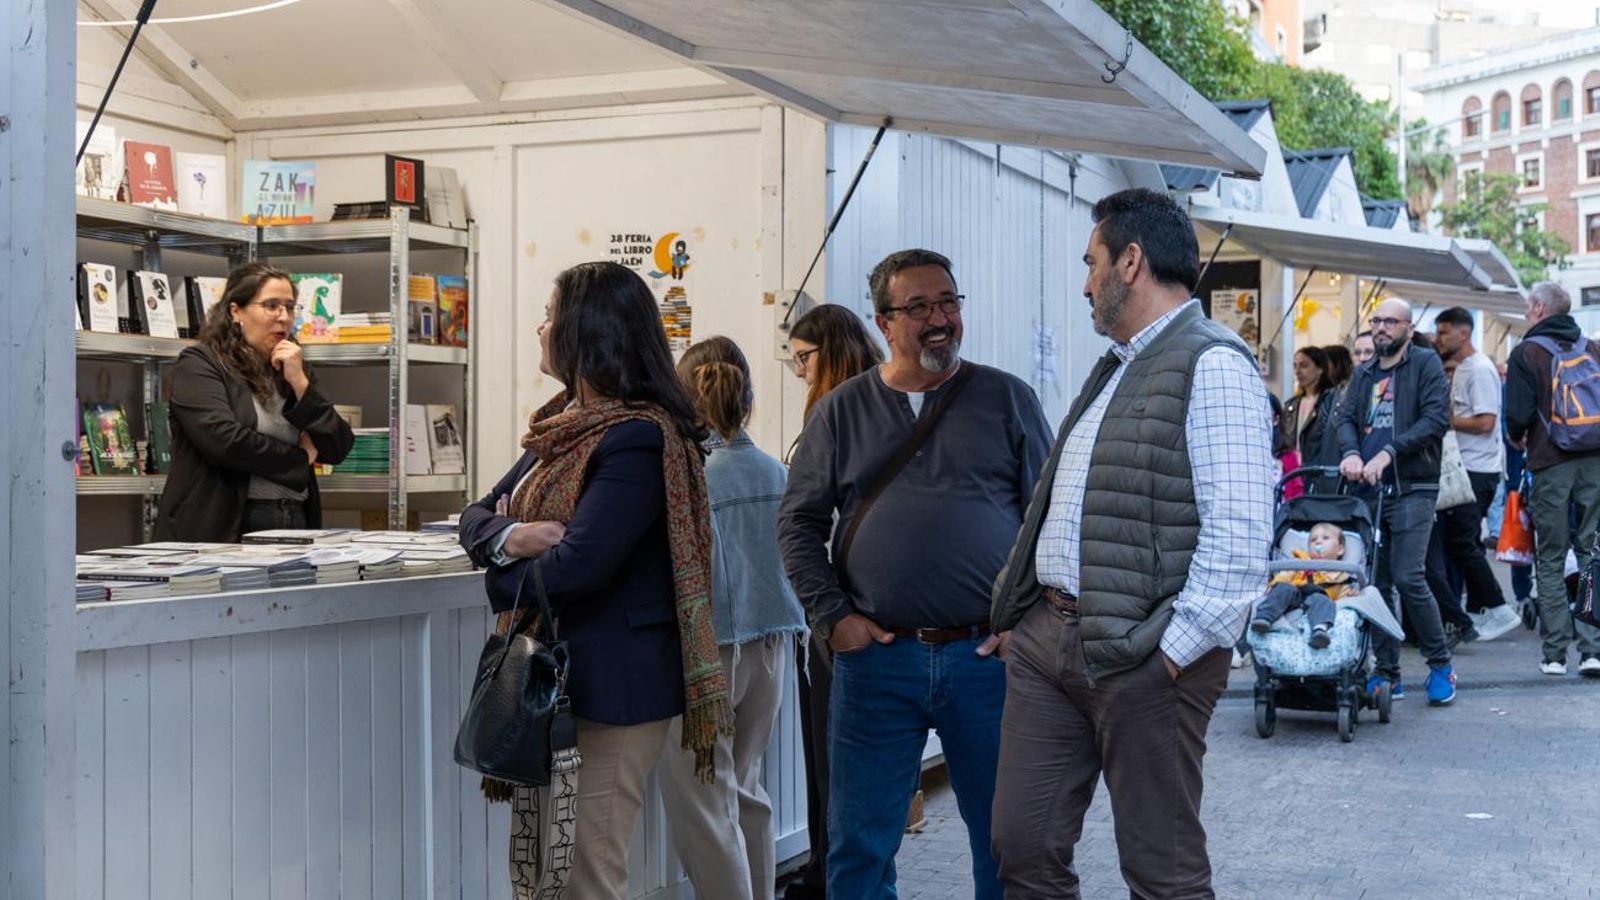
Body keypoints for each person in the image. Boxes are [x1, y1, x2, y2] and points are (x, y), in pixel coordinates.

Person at [989, 188, 1274, 898]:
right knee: (1021, 847)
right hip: (1050, 644)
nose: (1085, 282)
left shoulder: (1213, 363)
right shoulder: (1117, 364)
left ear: (1131, 261)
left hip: (1146, 657)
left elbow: (1240, 541)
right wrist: (1020, 617)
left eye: (1092, 263)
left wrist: (1170, 657)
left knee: (1162, 872)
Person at [778, 248, 1051, 900]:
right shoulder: (840, 411)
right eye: (920, 307)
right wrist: (834, 618)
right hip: (877, 661)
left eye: (949, 302)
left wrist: (1028, 624)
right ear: (883, 322)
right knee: (859, 849)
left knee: (1006, 843)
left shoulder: (1006, 398)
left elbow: (1052, 520)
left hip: (986, 659)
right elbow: (797, 525)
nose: (940, 319)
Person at [457, 261, 731, 900]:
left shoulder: (636, 437)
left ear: (587, 330)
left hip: (613, 691)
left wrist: (500, 575)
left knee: (584, 872)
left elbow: (581, 566)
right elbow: (475, 516)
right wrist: (510, 537)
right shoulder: (559, 429)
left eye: (551, 315)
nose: (540, 328)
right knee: (549, 867)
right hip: (556, 683)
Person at [660, 336, 807, 900]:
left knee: (704, 802)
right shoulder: (776, 473)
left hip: (708, 655)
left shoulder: (689, 479)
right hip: (771, 651)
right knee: (746, 789)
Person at [780, 302, 884, 900]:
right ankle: (832, 871)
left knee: (836, 759)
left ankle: (831, 875)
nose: (798, 371)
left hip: (840, 613)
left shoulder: (838, 410)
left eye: (803, 358)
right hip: (840, 610)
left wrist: (831, 614)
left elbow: (808, 522)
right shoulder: (867, 401)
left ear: (833, 350)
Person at [154, 261, 353, 540]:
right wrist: (301, 458)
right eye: (271, 305)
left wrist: (300, 384)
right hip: (224, 525)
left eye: (290, 307)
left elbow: (337, 446)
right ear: (236, 311)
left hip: (295, 517)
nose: (284, 317)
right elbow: (223, 440)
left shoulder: (293, 367)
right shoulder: (200, 364)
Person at [1337, 298, 1457, 705]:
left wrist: (1389, 452)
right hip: (1368, 491)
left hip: (1412, 487)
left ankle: (1440, 665)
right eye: (1376, 320)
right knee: (1377, 583)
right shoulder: (1364, 373)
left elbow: (1435, 420)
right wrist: (1352, 453)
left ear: (1408, 327)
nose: (1381, 327)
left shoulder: (1425, 365)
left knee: (1408, 576)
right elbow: (1346, 420)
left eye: (1390, 321)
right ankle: (1387, 671)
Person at [1503, 281, 1600, 677]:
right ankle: (1594, 649)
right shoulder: (1593, 348)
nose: (1527, 313)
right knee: (1593, 551)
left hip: (1550, 461)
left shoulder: (1527, 352)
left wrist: (1519, 435)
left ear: (1540, 308)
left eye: (1529, 307)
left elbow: (1517, 416)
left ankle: (1556, 652)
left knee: (1552, 555)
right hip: (1595, 460)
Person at [1433, 307, 1519, 640]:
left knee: (1462, 544)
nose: (1439, 339)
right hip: (1464, 468)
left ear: (1463, 333)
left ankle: (1498, 607)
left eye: (1444, 332)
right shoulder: (1464, 368)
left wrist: (1444, 421)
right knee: (1462, 543)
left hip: (1476, 470)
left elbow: (1485, 423)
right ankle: (1478, 612)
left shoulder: (1481, 370)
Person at [1250, 523, 1359, 648]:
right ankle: (1264, 618)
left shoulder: (1341, 575)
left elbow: (1342, 600)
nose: (1318, 542)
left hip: (1318, 600)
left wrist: (1351, 595)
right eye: (1313, 540)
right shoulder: (1301, 562)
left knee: (1323, 600)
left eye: (1325, 538)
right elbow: (1284, 577)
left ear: (1340, 549)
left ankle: (1320, 630)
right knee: (1284, 587)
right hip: (1295, 595)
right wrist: (1276, 583)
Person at [1285, 346, 1341, 474]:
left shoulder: (1333, 400)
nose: (1298, 371)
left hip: (1319, 470)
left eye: (1304, 365)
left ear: (1320, 369)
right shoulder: (1291, 405)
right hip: (1294, 473)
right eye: (1295, 366)